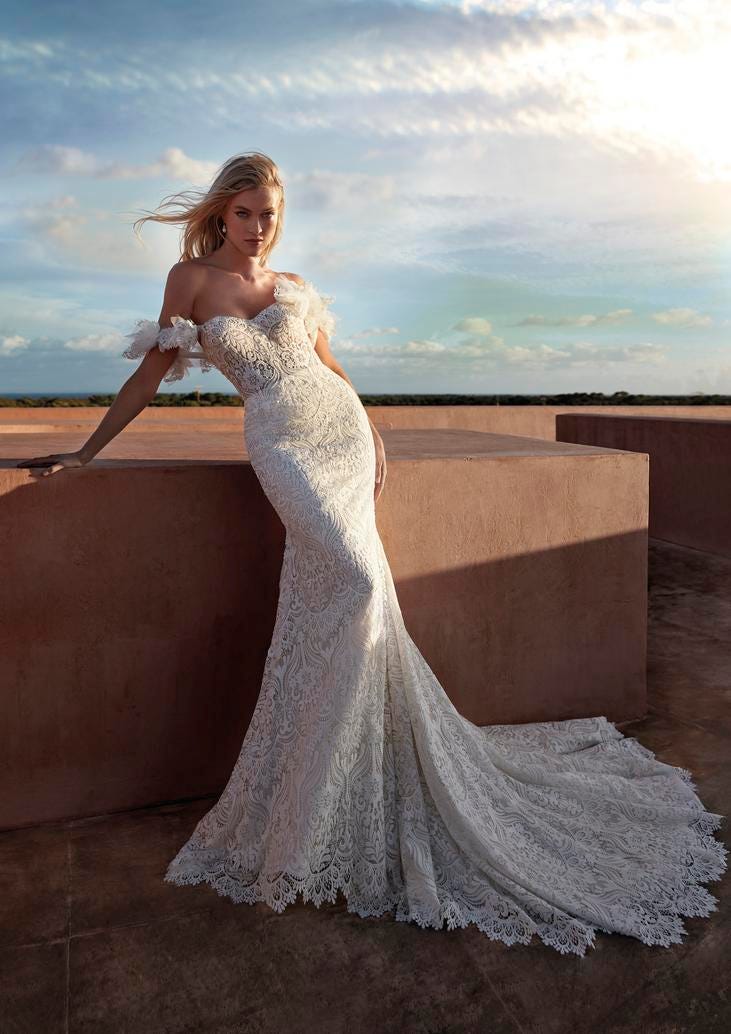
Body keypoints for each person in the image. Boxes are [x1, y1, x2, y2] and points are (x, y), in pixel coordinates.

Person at [17, 151, 728, 957]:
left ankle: (351, 771)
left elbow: (328, 370)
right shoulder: (190, 283)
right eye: (247, 212)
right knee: (354, 584)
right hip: (281, 445)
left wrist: (375, 432)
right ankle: (328, 781)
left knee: (355, 590)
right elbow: (149, 378)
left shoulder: (295, 286)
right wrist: (85, 451)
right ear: (222, 215)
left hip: (340, 434)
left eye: (271, 214)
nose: (260, 226)